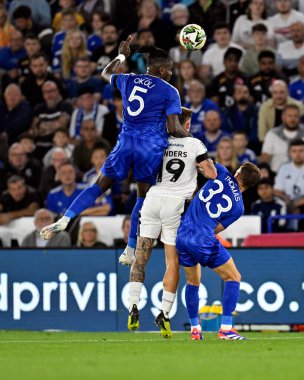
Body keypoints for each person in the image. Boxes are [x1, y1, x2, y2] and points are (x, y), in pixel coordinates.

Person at [40, 36, 189, 264]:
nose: (171, 75)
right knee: (142, 195)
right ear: (160, 70)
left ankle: (66, 218)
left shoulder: (129, 79)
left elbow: (105, 73)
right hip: (150, 147)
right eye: (168, 71)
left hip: (125, 142)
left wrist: (121, 55)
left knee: (98, 186)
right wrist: (191, 140)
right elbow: (173, 127)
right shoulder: (170, 91)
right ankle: (130, 248)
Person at [127, 107, 217, 337]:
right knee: (172, 263)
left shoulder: (158, 141)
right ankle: (164, 312)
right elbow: (212, 173)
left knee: (141, 256)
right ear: (186, 125)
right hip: (175, 206)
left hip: (153, 199)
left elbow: (142, 168)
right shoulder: (194, 144)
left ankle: (133, 305)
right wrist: (199, 166)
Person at [176, 162, 260, 340]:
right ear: (251, 186)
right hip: (202, 238)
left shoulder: (221, 171)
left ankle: (195, 330)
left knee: (192, 282)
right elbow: (216, 228)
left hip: (182, 234)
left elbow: (199, 164)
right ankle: (226, 328)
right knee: (234, 277)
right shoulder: (239, 208)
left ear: (237, 173)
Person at [261, 104, 304, 172]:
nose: (293, 119)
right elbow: (265, 157)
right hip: (276, 174)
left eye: (296, 116)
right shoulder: (272, 134)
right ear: (283, 117)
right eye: (289, 116)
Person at [274, 138, 304, 229]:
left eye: (301, 151)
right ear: (290, 153)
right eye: (294, 151)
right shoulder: (284, 168)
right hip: (287, 203)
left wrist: (297, 204)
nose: (298, 154)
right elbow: (276, 191)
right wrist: (289, 203)